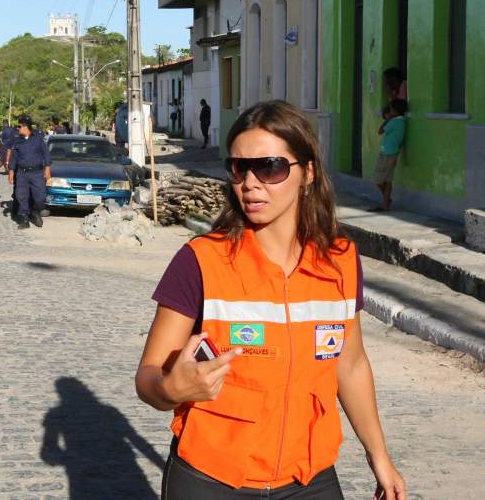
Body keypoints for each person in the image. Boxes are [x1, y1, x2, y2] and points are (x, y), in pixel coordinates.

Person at [137, 100, 406, 500]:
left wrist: (379, 456)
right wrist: (171, 390)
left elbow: (349, 366)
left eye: (270, 167)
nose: (250, 182)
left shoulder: (341, 261)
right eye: (239, 168)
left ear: (307, 173)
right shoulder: (200, 262)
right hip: (210, 480)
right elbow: (148, 376)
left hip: (308, 480)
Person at [8, 114, 51, 229]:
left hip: (37, 173)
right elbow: (14, 157)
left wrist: (47, 168)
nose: (17, 128)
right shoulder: (17, 140)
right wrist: (11, 171)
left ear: (25, 126)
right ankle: (24, 219)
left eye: (19, 126)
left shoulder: (38, 139)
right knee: (21, 196)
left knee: (40, 196)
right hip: (22, 173)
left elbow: (46, 154)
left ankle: (35, 211)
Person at [372, 99, 408, 212]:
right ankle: (385, 203)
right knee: (388, 180)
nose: (390, 111)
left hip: (387, 153)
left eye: (391, 109)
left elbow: (380, 131)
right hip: (392, 152)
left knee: (377, 179)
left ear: (396, 111)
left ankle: (386, 200)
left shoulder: (394, 121)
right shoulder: (401, 121)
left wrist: (388, 119)